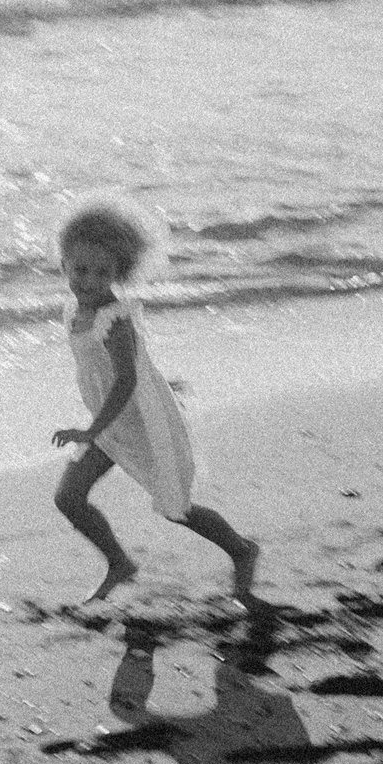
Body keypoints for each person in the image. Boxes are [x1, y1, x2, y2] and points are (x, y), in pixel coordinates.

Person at [51, 202, 262, 604]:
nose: (89, 280)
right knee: (69, 498)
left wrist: (91, 429)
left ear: (120, 273)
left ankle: (241, 550)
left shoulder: (116, 318)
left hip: (137, 422)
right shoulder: (73, 310)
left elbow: (127, 379)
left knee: (175, 508)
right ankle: (119, 564)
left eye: (102, 272)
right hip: (107, 421)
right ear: (63, 266)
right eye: (80, 269)